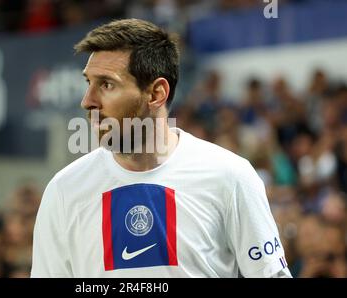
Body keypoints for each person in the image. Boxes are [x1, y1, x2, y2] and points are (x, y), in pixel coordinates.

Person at [31, 18, 292, 278]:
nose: (87, 101)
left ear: (156, 94)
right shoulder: (65, 191)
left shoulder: (230, 176)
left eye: (106, 85)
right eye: (88, 83)